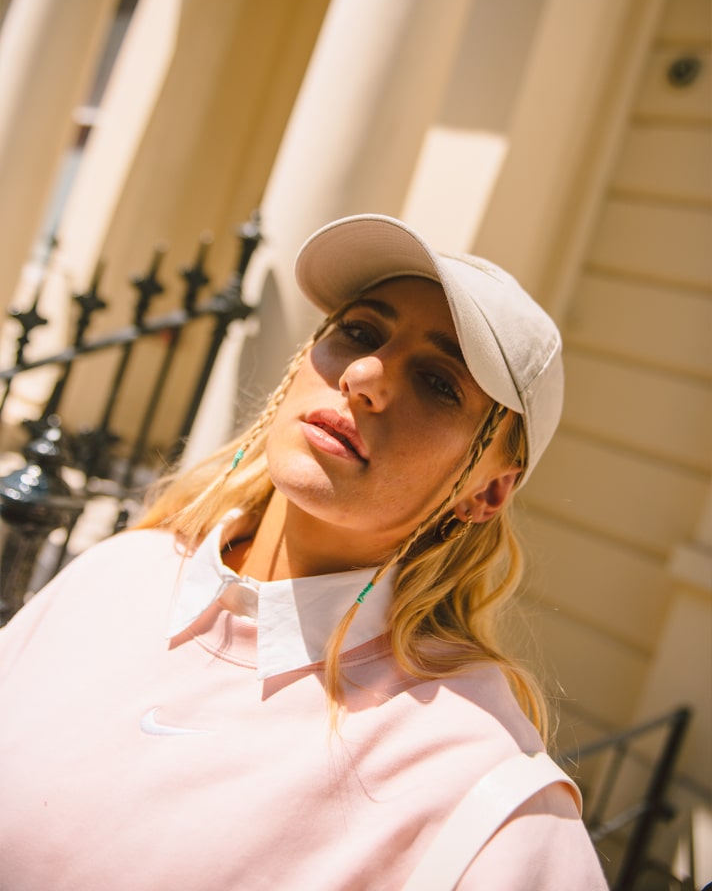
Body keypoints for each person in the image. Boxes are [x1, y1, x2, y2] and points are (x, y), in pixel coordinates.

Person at [0, 213, 608, 890]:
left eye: (439, 382)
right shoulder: (116, 572)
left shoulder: (491, 800)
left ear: (488, 491)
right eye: (359, 332)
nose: (364, 375)